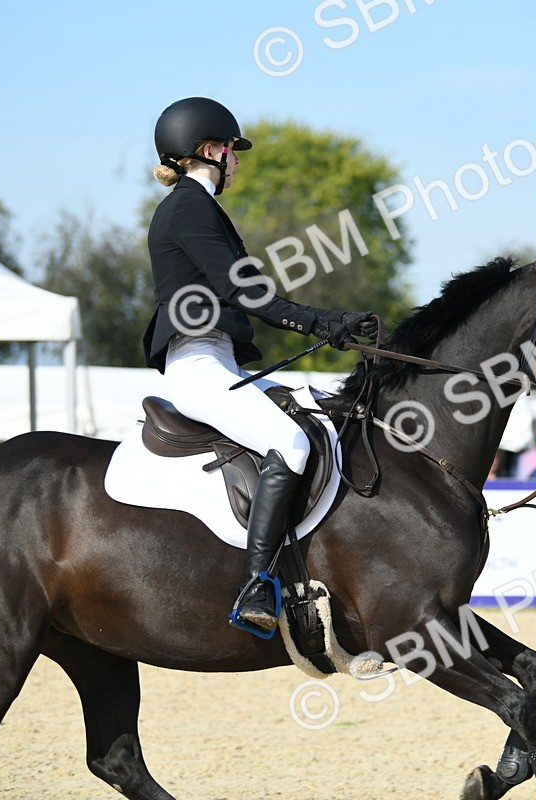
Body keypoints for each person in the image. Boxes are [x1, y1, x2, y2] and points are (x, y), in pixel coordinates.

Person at [144, 97, 377, 634]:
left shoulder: (198, 206)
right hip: (198, 362)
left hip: (216, 357)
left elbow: (250, 288)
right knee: (291, 443)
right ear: (209, 151)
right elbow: (244, 290)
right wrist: (322, 322)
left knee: (320, 416)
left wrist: (327, 322)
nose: (237, 161)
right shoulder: (188, 206)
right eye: (232, 150)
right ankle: (258, 583)